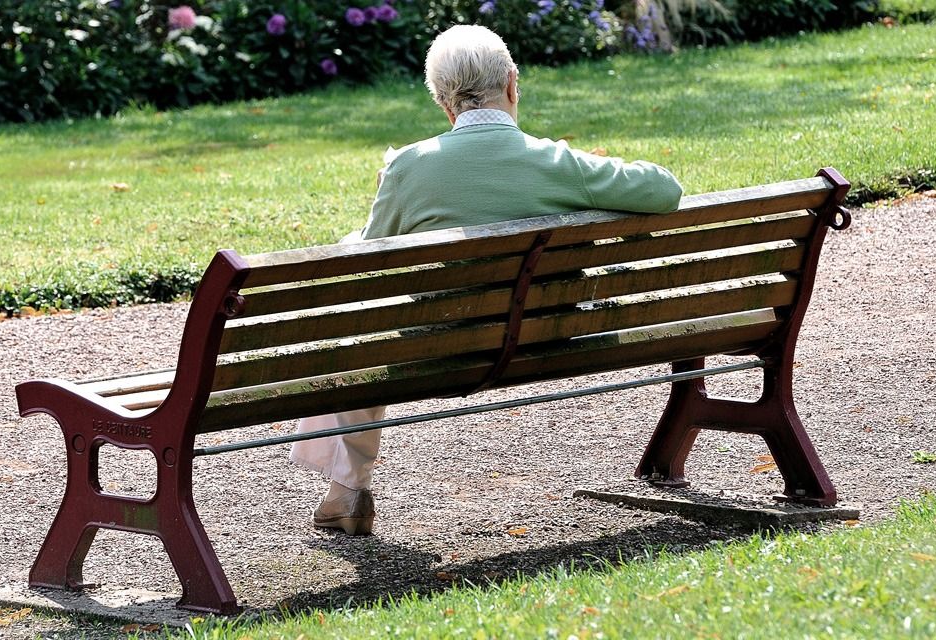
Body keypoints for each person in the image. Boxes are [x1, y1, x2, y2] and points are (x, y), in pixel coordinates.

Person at [291, 24, 684, 535]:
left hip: (439, 350)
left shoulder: (410, 167)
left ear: (444, 103)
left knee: (359, 338)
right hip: (546, 337)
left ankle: (348, 489)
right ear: (512, 84)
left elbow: (365, 258)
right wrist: (593, 168)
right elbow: (665, 190)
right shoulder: (559, 163)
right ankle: (344, 490)